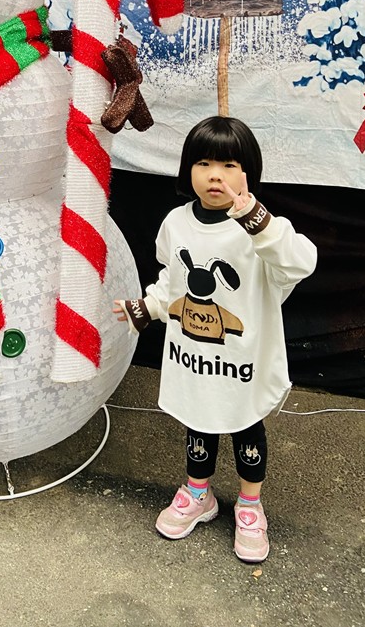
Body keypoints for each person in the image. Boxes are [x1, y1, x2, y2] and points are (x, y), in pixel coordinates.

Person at [113, 115, 317, 563]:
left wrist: (256, 220)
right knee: (199, 423)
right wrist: (147, 308)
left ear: (248, 173)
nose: (215, 176)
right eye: (204, 163)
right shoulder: (176, 223)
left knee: (246, 427)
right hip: (194, 361)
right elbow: (173, 281)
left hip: (242, 364)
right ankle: (197, 494)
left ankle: (249, 505)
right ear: (188, 169)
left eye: (228, 165)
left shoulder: (260, 230)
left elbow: (300, 262)